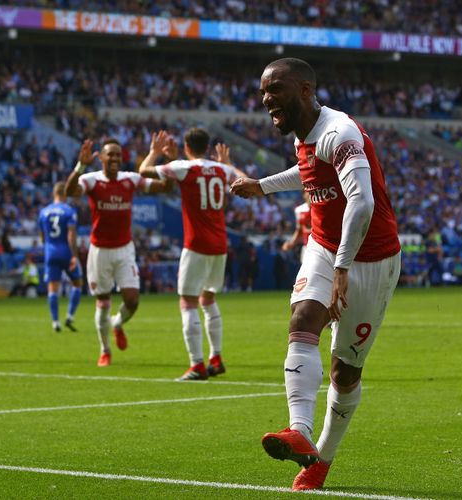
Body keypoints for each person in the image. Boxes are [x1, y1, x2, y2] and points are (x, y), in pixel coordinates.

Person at [231, 58, 401, 491]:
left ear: (306, 90)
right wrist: (262, 186)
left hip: (371, 260)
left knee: (345, 372)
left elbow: (360, 203)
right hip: (325, 246)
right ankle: (299, 432)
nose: (268, 99)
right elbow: (309, 177)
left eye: (277, 89)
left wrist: (343, 266)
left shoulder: (338, 133)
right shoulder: (304, 135)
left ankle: (322, 458)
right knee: (303, 319)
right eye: (264, 91)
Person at [138, 128, 246, 381]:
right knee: (208, 299)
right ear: (208, 147)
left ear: (187, 146)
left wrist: (154, 153)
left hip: (196, 243)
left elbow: (143, 171)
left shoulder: (184, 167)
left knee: (187, 302)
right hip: (220, 243)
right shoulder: (222, 170)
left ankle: (197, 364)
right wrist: (229, 164)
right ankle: (216, 357)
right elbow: (244, 179)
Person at [66, 138, 170, 367]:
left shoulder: (130, 179)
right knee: (102, 303)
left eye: (117, 154)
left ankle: (118, 324)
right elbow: (70, 191)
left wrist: (165, 160)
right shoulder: (90, 180)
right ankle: (105, 350)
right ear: (101, 158)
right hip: (100, 251)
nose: (113, 158)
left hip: (124, 249)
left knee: (132, 301)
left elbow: (166, 187)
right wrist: (79, 166)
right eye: (109, 154)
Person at [38, 181, 83, 332]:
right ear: (66, 194)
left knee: (52, 288)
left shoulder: (43, 212)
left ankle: (55, 322)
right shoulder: (69, 211)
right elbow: (71, 235)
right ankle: (69, 316)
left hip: (50, 252)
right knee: (77, 283)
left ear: (54, 194)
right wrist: (74, 255)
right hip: (66, 251)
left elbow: (42, 237)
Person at [282, 191, 312, 264]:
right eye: (307, 192)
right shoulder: (299, 210)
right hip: (306, 246)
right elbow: (299, 230)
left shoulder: (320, 208)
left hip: (321, 246)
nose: (309, 194)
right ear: (303, 195)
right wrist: (291, 243)